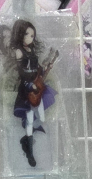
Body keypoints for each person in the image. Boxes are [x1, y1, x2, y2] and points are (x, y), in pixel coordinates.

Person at [3, 20, 57, 169]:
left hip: (36, 85)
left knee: (41, 117)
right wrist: (28, 84)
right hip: (27, 88)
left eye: (32, 35)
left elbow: (36, 67)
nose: (29, 38)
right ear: (20, 34)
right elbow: (21, 72)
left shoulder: (30, 50)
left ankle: (26, 140)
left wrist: (45, 68)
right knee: (30, 119)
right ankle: (30, 152)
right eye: (26, 34)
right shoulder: (19, 52)